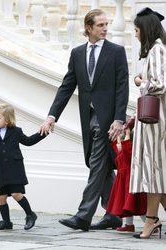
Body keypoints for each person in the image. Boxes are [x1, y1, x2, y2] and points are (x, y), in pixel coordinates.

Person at [39, 9, 129, 231]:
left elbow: (122, 87)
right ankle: (113, 214)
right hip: (87, 117)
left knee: (97, 164)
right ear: (88, 28)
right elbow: (67, 86)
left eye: (107, 24)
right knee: (100, 165)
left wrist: (119, 119)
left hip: (107, 120)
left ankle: (83, 215)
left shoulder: (116, 51)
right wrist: (52, 116)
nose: (105, 28)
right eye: (100, 25)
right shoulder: (78, 53)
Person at [129, 7, 166, 239]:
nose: (135, 34)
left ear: (146, 29)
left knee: (154, 171)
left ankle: (151, 221)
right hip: (153, 121)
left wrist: (141, 82)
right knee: (156, 172)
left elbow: (160, 84)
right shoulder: (156, 50)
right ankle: (152, 220)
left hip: (155, 122)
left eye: (136, 30)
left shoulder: (156, 50)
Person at [106, 128, 146, 232]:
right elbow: (116, 145)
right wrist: (116, 135)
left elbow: (126, 147)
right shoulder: (121, 151)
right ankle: (129, 225)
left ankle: (150, 224)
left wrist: (127, 133)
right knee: (127, 206)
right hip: (123, 183)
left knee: (136, 205)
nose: (118, 144)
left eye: (121, 142)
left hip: (129, 182)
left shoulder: (129, 151)